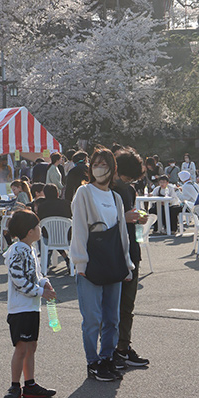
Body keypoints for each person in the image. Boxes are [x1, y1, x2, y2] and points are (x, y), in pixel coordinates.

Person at [70, 146, 133, 383]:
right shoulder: (83, 193)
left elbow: (122, 234)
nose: (99, 168)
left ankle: (106, 358)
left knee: (112, 318)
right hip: (90, 262)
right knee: (92, 318)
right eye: (95, 164)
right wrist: (80, 263)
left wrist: (127, 264)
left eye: (104, 165)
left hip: (113, 261)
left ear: (112, 169)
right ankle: (93, 362)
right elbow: (78, 230)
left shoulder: (116, 197)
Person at [3, 210, 57, 398]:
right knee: (22, 348)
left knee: (31, 346)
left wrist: (44, 283)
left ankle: (30, 384)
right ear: (29, 231)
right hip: (20, 308)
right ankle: (14, 386)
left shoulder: (29, 249)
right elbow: (19, 280)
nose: (39, 229)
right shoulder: (17, 250)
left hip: (32, 306)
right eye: (37, 226)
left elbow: (35, 276)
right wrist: (41, 291)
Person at [112, 148, 151, 369]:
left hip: (131, 250)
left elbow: (130, 212)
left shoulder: (129, 190)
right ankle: (110, 351)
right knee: (111, 307)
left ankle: (124, 348)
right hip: (111, 253)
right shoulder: (103, 189)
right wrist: (123, 217)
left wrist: (138, 218)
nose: (128, 182)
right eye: (126, 178)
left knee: (127, 305)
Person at [34, 184, 71, 270]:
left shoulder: (42, 206)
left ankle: (46, 263)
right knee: (58, 234)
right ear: (57, 193)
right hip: (67, 236)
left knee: (50, 235)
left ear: (45, 194)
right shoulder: (66, 204)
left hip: (48, 237)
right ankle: (67, 260)